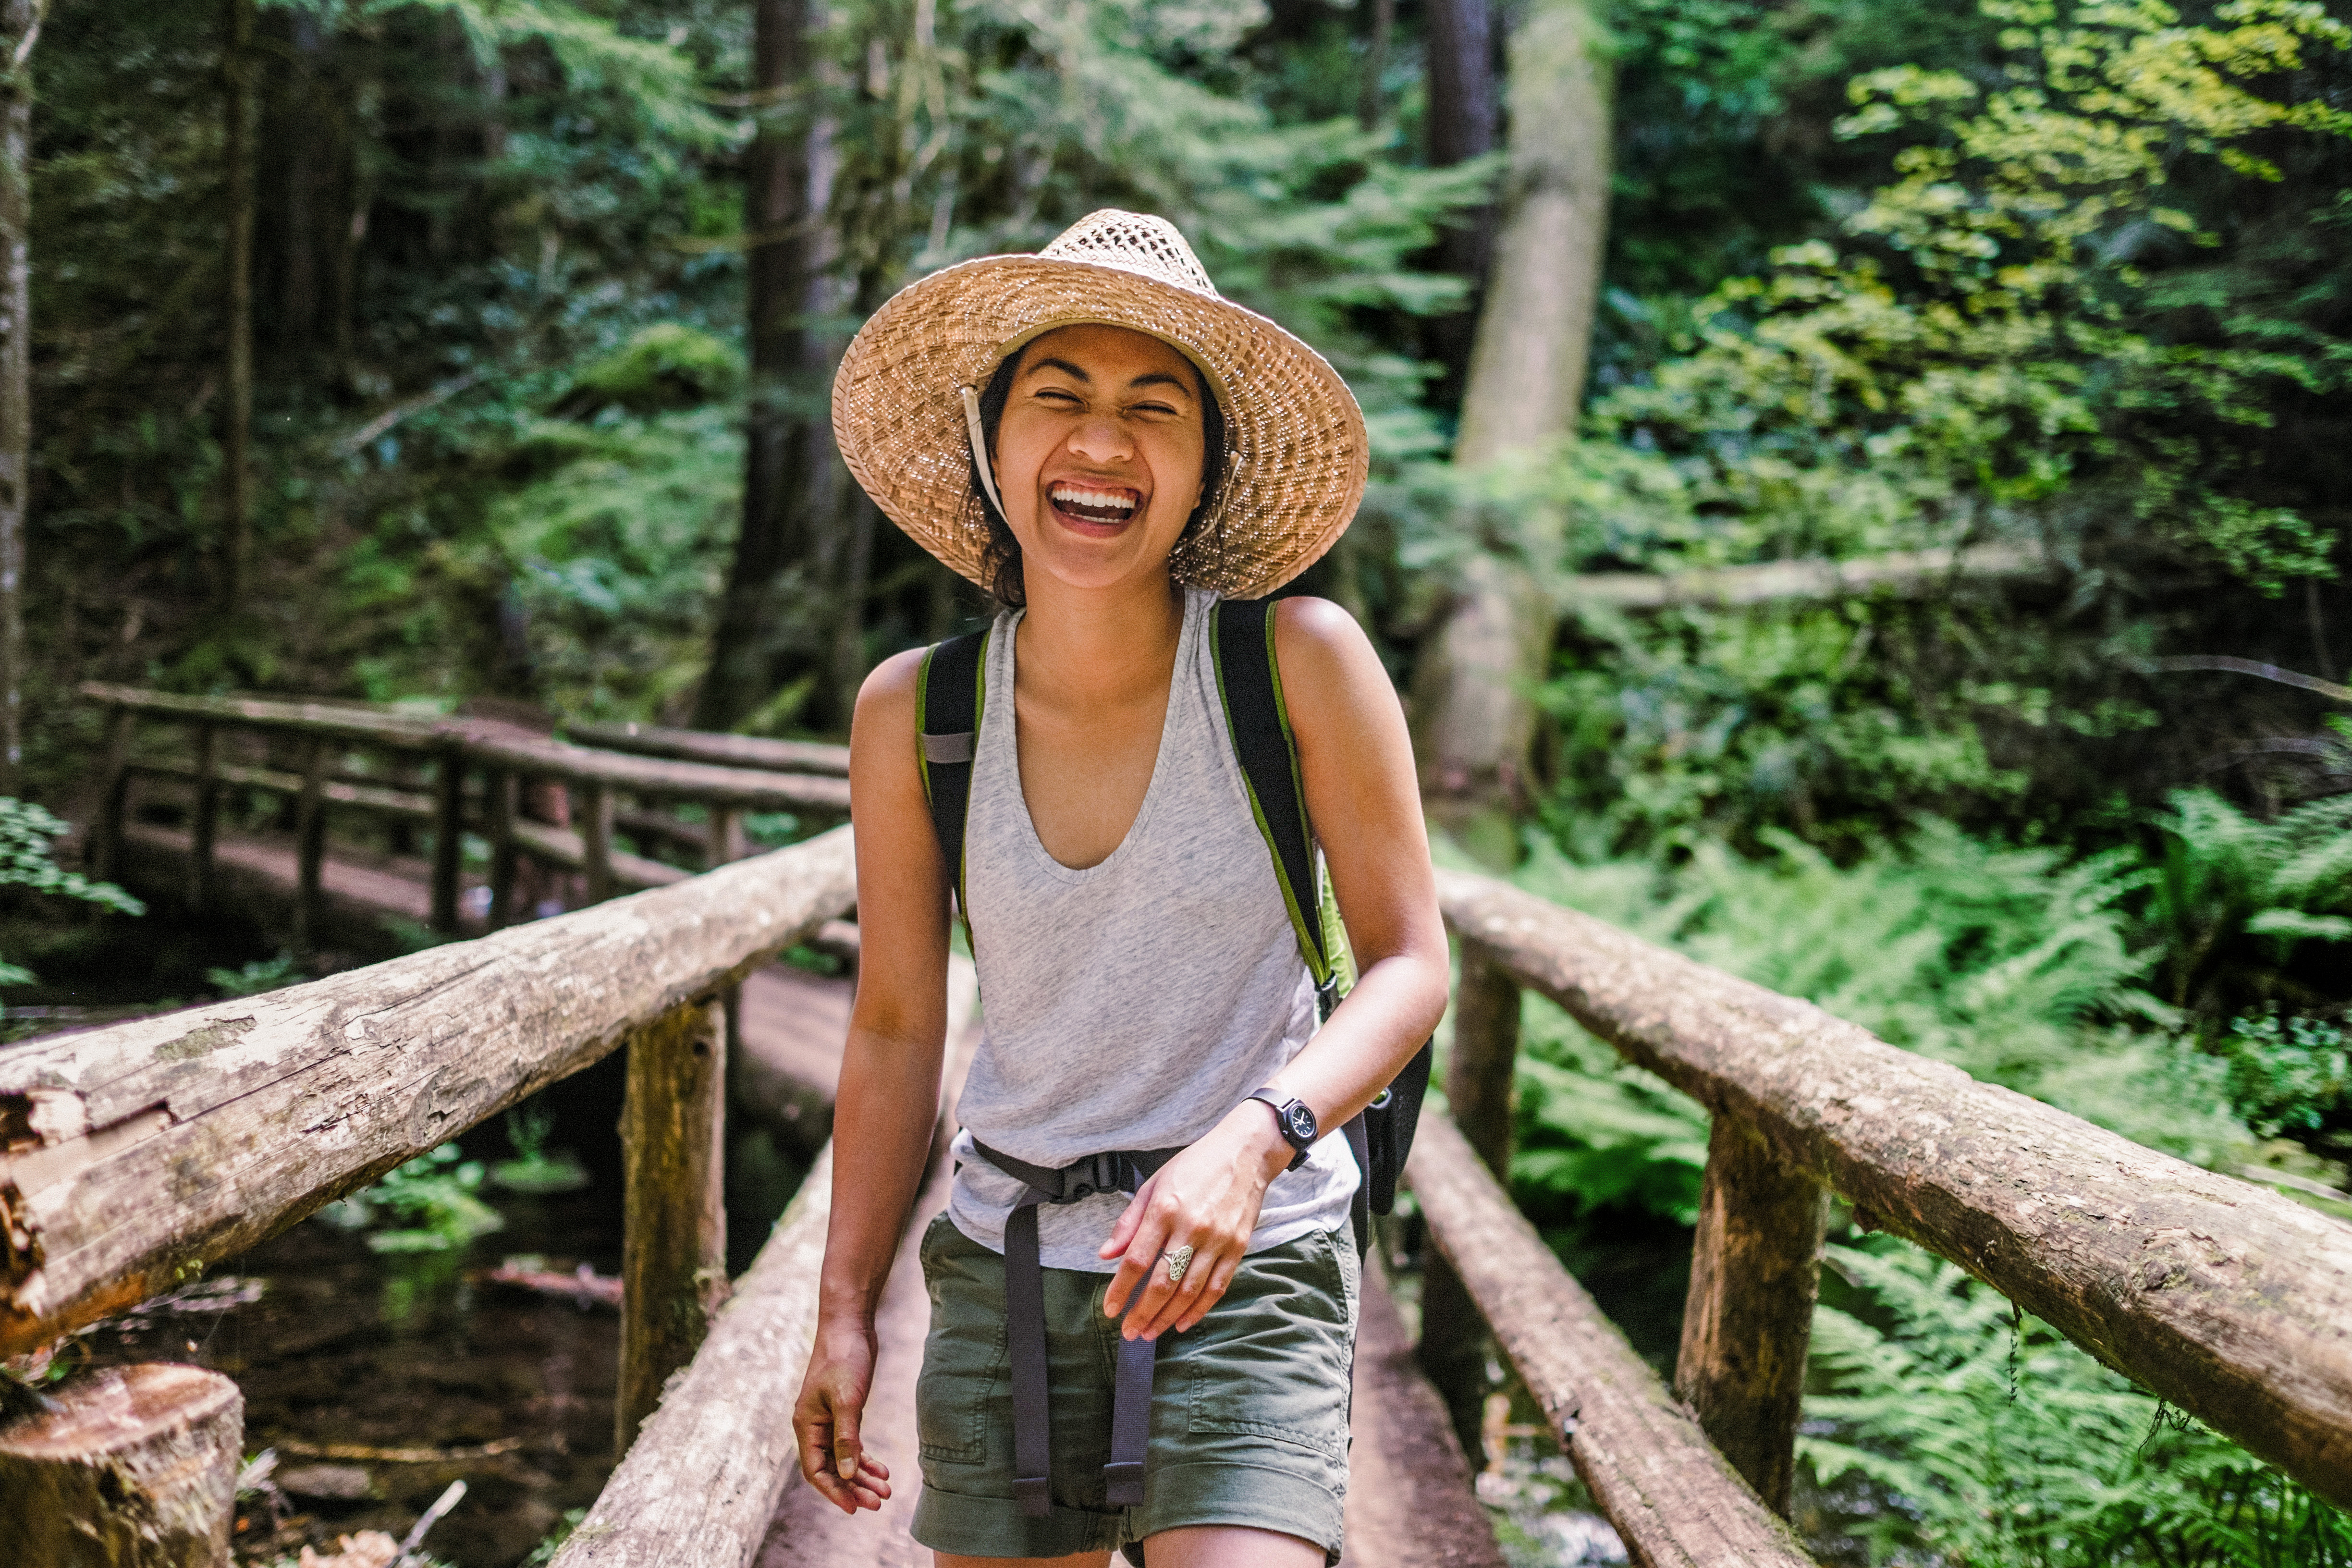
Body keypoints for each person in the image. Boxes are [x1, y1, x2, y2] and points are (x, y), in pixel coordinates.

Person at [794, 209, 1448, 1568]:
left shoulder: (1300, 665)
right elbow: (898, 1024)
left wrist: (1256, 1137)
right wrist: (845, 1305)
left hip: (1251, 1252)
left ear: (1206, 466)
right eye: (1059, 399)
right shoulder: (915, 713)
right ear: (991, 442)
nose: (1101, 446)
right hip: (1008, 1269)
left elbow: (1410, 965)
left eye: (1155, 409)